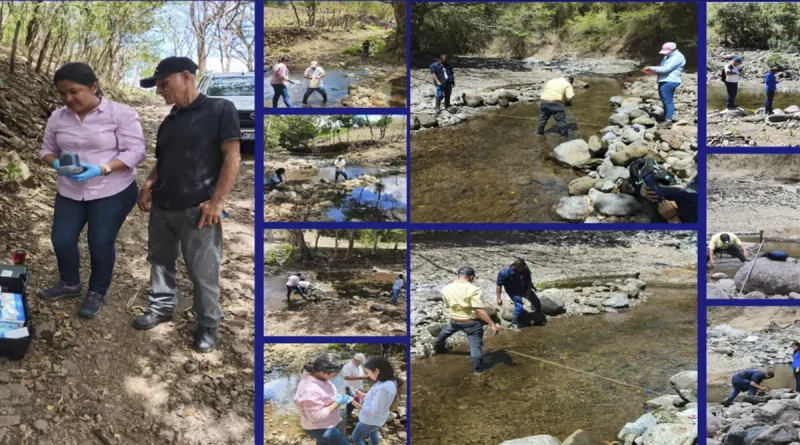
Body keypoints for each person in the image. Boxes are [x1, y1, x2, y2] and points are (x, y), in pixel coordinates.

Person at [136, 56, 242, 352]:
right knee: (159, 260)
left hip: (198, 209)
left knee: (203, 270)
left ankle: (208, 323)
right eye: (157, 86)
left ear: (186, 76)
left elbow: (232, 157)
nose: (159, 90)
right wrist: (147, 184)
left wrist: (217, 201)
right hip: (163, 206)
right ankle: (162, 307)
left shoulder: (220, 109)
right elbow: (163, 160)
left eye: (164, 83)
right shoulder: (169, 120)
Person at [39, 63, 146, 318]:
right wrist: (57, 164)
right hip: (70, 190)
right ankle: (70, 284)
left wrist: (102, 168)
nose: (69, 99)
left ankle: (97, 291)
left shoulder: (121, 114)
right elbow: (46, 149)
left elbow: (136, 151)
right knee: (62, 239)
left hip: (112, 190)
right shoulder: (57, 117)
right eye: (63, 94)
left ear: (94, 86)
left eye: (74, 91)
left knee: (100, 242)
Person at [433, 267, 501, 373]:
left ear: (458, 276)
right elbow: (479, 310)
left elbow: (447, 305)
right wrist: (492, 324)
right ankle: (477, 371)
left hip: (454, 320)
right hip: (471, 323)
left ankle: (438, 348)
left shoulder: (446, 288)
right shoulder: (473, 290)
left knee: (445, 333)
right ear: (472, 277)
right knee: (475, 347)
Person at [293, 353, 351, 445]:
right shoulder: (309, 390)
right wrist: (337, 402)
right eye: (335, 374)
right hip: (321, 428)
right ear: (323, 372)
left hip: (324, 424)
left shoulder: (315, 373)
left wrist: (335, 397)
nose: (335, 376)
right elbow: (315, 416)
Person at [351, 356, 401, 445]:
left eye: (368, 372)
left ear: (377, 371)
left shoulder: (384, 389)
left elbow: (375, 411)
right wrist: (363, 395)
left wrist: (359, 406)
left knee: (356, 437)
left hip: (370, 420)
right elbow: (378, 399)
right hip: (377, 420)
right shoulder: (387, 381)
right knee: (373, 432)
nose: (368, 375)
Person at [646, 42, 685, 129]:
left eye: (667, 51)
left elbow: (666, 69)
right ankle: (666, 118)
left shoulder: (678, 56)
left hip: (670, 80)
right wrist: (656, 69)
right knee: (664, 100)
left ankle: (668, 121)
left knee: (668, 101)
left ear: (673, 49)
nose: (665, 53)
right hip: (664, 80)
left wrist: (651, 68)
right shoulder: (667, 56)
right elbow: (663, 67)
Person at [496, 259, 544, 330]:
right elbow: (499, 285)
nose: (522, 270)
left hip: (525, 287)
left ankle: (538, 318)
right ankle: (514, 323)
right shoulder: (504, 273)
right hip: (514, 291)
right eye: (521, 269)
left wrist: (528, 289)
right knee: (519, 307)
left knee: (537, 302)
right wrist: (498, 298)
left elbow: (529, 278)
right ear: (515, 266)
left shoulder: (524, 268)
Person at [341, 353, 369, 419]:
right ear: (356, 360)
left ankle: (354, 412)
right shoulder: (347, 366)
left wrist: (364, 376)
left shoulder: (359, 366)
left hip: (359, 386)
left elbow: (360, 373)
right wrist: (359, 378)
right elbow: (346, 377)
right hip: (350, 387)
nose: (361, 364)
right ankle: (349, 415)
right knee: (351, 401)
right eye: (360, 362)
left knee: (358, 400)